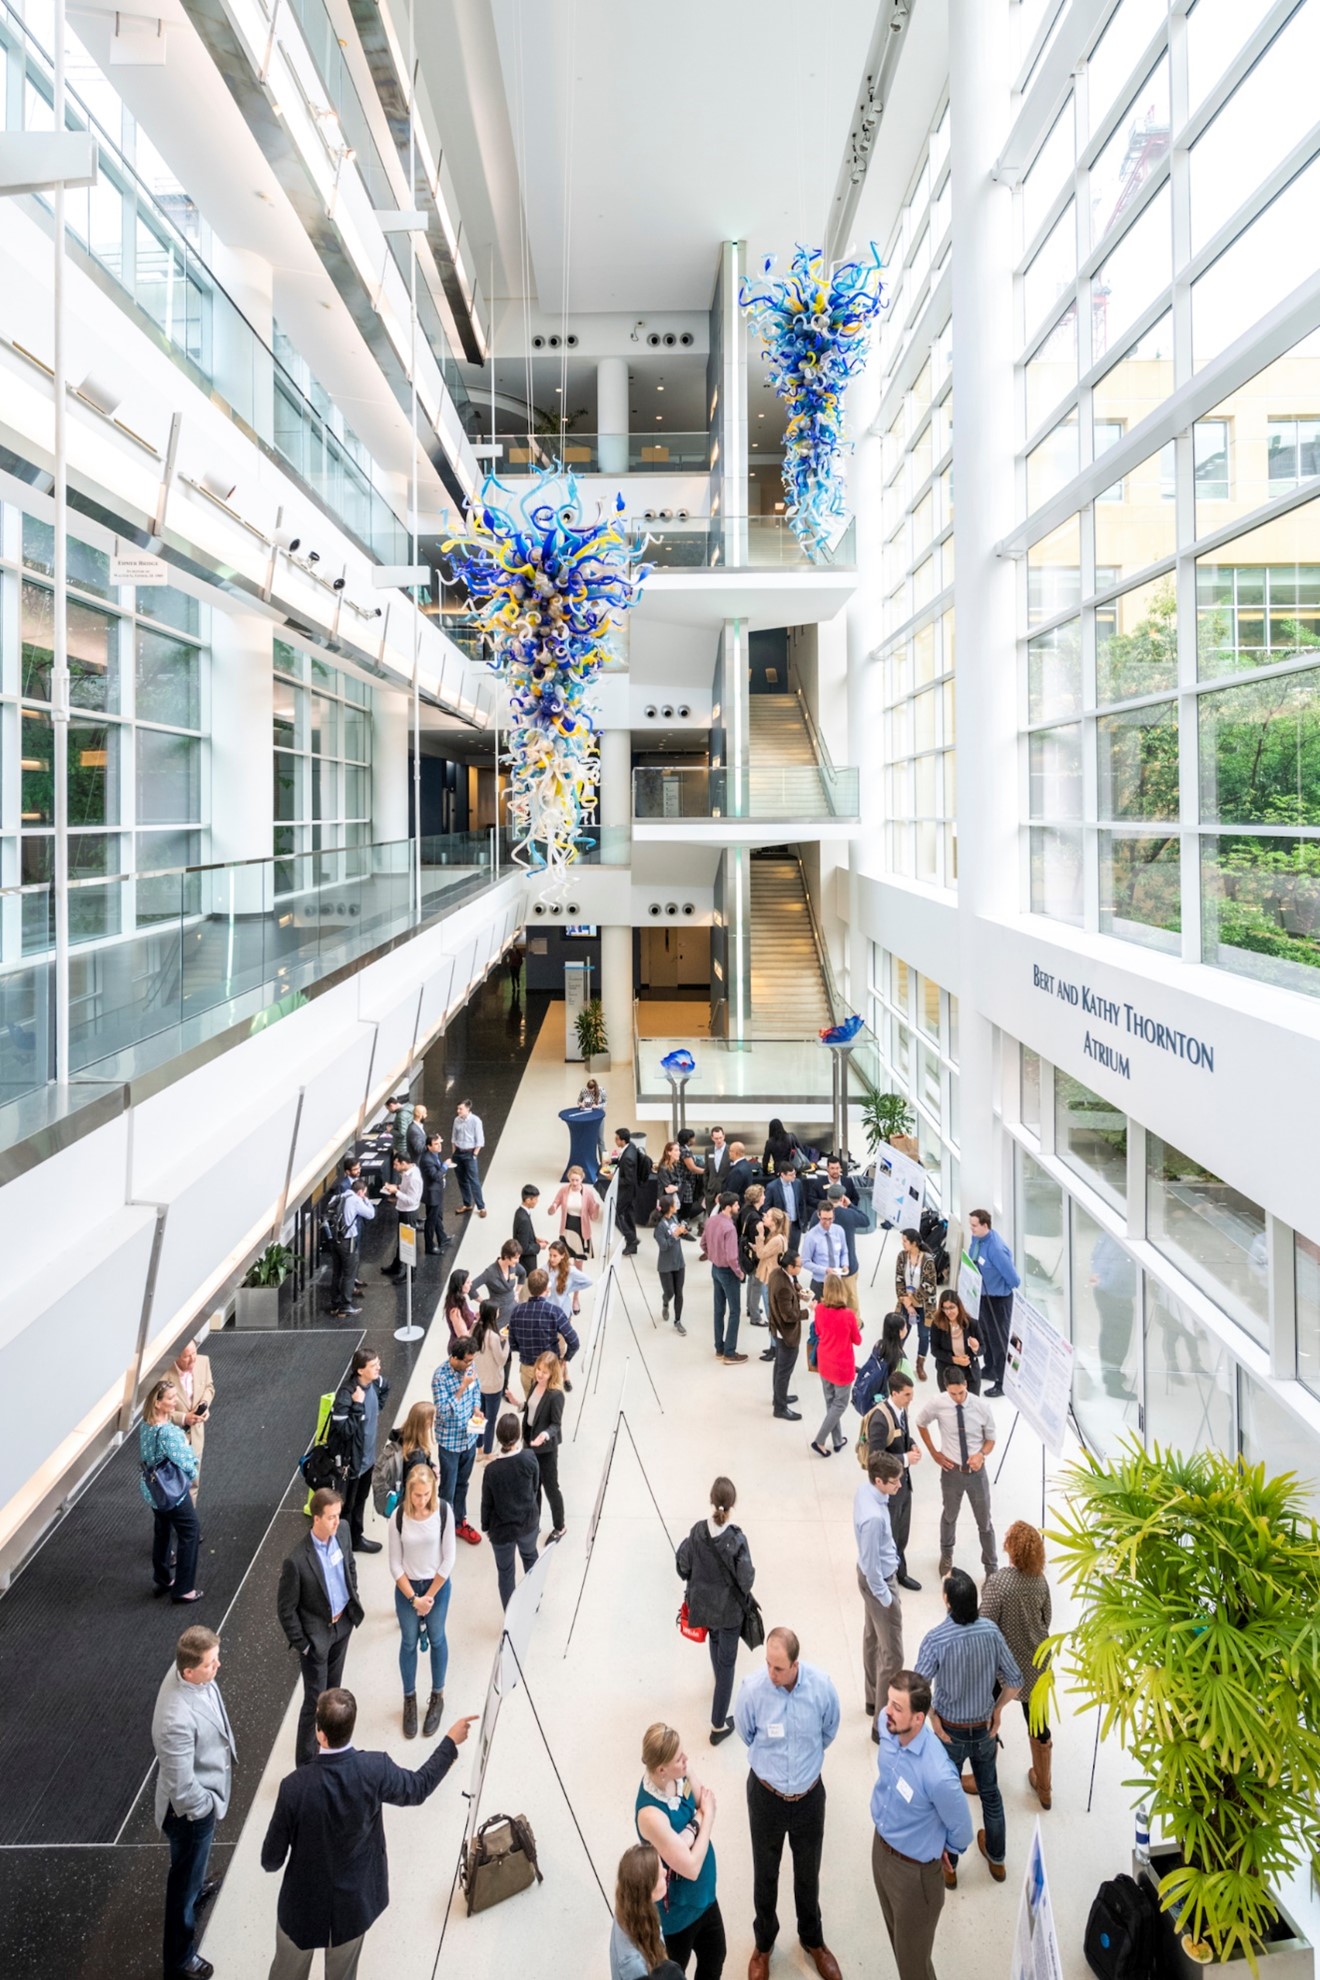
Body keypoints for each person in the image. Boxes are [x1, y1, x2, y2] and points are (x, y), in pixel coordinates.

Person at [261, 1687, 475, 1980]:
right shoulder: (375, 1770)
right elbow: (418, 1788)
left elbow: (270, 1860)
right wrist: (449, 1742)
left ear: (319, 1733)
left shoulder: (294, 1787)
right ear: (351, 1727)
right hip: (352, 1907)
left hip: (301, 1909)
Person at [734, 1628, 842, 1980]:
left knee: (808, 1873)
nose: (771, 1674)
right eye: (768, 1664)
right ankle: (763, 1944)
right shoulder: (753, 1691)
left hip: (809, 1798)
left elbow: (829, 1731)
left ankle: (813, 1939)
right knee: (765, 1874)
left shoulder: (822, 1688)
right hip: (766, 1797)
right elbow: (746, 1732)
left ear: (796, 1664)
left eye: (778, 1668)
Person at [915, 1569, 1022, 1885]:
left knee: (945, 1798)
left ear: (947, 1601)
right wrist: (998, 1710)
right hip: (985, 1730)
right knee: (990, 1793)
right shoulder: (990, 1631)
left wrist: (933, 1717)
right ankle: (998, 1861)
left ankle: (949, 1866)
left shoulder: (936, 1639)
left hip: (949, 1732)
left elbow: (918, 1689)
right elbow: (1015, 1680)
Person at [870, 1670, 972, 1980]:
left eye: (897, 1707)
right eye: (888, 1702)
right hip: (881, 1850)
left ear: (918, 1719)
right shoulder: (887, 1727)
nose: (887, 1711)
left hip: (915, 1877)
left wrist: (940, 1845)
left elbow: (963, 1832)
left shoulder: (938, 1774)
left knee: (914, 1967)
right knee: (900, 1947)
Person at [152, 1626, 234, 1980]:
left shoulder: (186, 1672)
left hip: (198, 1798)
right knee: (181, 1884)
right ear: (188, 1671)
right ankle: (180, 1960)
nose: (218, 1666)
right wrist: (209, 1807)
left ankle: (196, 1886)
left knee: (188, 1866)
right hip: (189, 1813)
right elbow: (184, 1790)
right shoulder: (176, 1720)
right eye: (211, 1664)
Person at [277, 1488, 363, 1768]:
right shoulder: (297, 1561)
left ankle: (329, 1749)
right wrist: (303, 1644)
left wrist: (353, 1598)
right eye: (331, 1517)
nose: (337, 1522)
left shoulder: (344, 1532)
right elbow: (286, 1609)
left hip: (342, 1628)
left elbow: (350, 1565)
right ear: (316, 1518)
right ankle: (305, 1764)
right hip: (316, 1639)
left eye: (338, 1515)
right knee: (315, 1701)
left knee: (333, 1693)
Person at [635, 1723, 725, 1978]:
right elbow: (692, 1867)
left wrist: (689, 1833)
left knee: (715, 1957)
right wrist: (703, 1820)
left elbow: (702, 1799)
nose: (686, 1760)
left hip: (706, 1895)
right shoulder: (650, 1815)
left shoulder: (680, 1772)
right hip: (678, 1912)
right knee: (676, 1970)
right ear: (661, 1769)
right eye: (679, 1758)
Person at [675, 1477, 755, 1746]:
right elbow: (746, 1580)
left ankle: (718, 1680)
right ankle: (718, 1725)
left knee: (715, 1639)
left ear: (711, 1501)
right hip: (730, 1611)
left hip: (704, 1607)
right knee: (728, 1663)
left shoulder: (697, 1531)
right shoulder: (736, 1538)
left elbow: (682, 1563)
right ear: (733, 1505)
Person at [980, 1521, 1054, 1809]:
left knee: (987, 1714)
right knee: (1038, 1725)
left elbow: (986, 1625)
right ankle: (1044, 1787)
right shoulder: (1041, 1582)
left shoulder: (998, 1583)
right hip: (1038, 1666)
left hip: (1004, 1667)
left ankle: (984, 1777)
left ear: (1010, 1551)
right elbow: (1046, 1619)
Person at [388, 1461, 454, 1741]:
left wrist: (429, 1596)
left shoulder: (443, 1511)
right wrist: (414, 1598)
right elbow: (394, 1564)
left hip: (436, 1588)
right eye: (417, 1495)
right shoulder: (399, 1517)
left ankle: (437, 1695)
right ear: (409, 1493)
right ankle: (409, 1698)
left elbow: (448, 1558)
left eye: (427, 1494)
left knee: (437, 1638)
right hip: (408, 1590)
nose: (422, 1499)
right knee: (408, 1642)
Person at [916, 1376, 1000, 1576]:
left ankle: (991, 1566)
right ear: (946, 1390)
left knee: (984, 1521)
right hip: (951, 1471)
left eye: (961, 1393)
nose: (957, 1398)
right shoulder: (939, 1403)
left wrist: (981, 1454)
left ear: (966, 1385)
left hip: (976, 1474)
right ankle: (946, 1555)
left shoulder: (981, 1407)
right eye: (953, 1394)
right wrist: (934, 1453)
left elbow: (991, 1439)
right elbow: (921, 1422)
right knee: (949, 1515)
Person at [854, 1453, 906, 1741]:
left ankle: (872, 1699)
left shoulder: (865, 1492)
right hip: (879, 1583)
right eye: (894, 1481)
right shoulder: (873, 1519)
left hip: (869, 1577)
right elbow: (873, 1568)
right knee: (893, 1655)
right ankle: (881, 1724)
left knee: (872, 1638)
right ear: (879, 1481)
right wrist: (887, 1600)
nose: (899, 1485)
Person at [139, 1380, 202, 1603]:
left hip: (153, 1490)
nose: (176, 1401)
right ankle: (184, 1588)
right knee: (190, 1531)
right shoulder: (168, 1433)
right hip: (172, 1491)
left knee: (162, 1531)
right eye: (171, 1398)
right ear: (158, 1403)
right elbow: (187, 1461)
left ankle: (163, 1578)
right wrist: (192, 1464)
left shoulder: (145, 1425)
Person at [864, 1372, 922, 1590]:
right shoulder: (880, 1419)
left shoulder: (901, 1410)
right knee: (889, 1534)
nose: (911, 1398)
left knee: (901, 1532)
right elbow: (875, 1457)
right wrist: (905, 1459)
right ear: (894, 1393)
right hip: (890, 1489)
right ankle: (887, 1576)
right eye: (907, 1394)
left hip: (903, 1485)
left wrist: (912, 1443)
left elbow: (903, 1435)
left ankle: (899, 1570)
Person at [328, 1347, 388, 1554]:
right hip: (351, 1463)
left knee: (361, 1500)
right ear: (360, 1370)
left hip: (367, 1459)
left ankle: (356, 1537)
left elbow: (385, 1388)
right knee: (347, 1505)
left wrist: (375, 1407)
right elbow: (343, 1431)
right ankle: (344, 1544)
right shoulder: (347, 1395)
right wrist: (358, 1406)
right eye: (373, 1366)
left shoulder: (376, 1383)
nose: (379, 1367)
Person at [479, 1410, 542, 1606]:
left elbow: (486, 1503)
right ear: (519, 1436)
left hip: (502, 1531)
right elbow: (535, 1487)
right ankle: (534, 1601)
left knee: (505, 1572)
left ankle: (511, 1614)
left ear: (498, 1437)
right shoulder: (529, 1458)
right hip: (528, 1525)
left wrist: (486, 1527)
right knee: (531, 1558)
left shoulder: (492, 1470)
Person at [431, 1338, 484, 1546]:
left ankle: (459, 1521)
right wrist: (462, 1388)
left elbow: (477, 1391)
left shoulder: (471, 1369)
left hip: (469, 1438)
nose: (470, 1365)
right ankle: (444, 1528)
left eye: (472, 1361)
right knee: (448, 1488)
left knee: (463, 1483)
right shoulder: (440, 1377)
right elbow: (443, 1412)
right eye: (467, 1361)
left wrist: (477, 1408)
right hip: (450, 1443)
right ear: (455, 1358)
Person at [967, 1208, 1021, 1398]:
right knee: (986, 1333)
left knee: (999, 1339)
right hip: (982, 1296)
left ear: (985, 1225)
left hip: (998, 1300)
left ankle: (1001, 1380)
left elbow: (1014, 1279)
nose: (971, 1228)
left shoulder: (996, 1248)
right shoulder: (977, 1239)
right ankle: (989, 1367)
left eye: (974, 1225)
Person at [811, 1271, 862, 1458]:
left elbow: (817, 1331)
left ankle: (838, 1440)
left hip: (825, 1362)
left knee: (831, 1402)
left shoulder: (820, 1310)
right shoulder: (848, 1315)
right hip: (842, 1366)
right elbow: (857, 1340)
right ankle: (820, 1440)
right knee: (840, 1404)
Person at [509, 1268, 581, 1398]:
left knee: (531, 1410)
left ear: (529, 1288)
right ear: (546, 1289)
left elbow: (512, 1344)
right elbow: (574, 1341)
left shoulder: (517, 1312)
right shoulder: (555, 1312)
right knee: (552, 1409)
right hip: (550, 1369)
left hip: (528, 1369)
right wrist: (565, 1359)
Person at [522, 1349, 566, 1539]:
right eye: (538, 1369)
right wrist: (518, 1403)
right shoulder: (535, 1383)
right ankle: (534, 1522)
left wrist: (544, 1436)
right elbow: (531, 1408)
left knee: (550, 1488)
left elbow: (556, 1424)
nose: (539, 1374)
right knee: (533, 1486)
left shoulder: (556, 1395)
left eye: (544, 1372)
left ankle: (560, 1526)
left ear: (552, 1374)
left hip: (546, 1449)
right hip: (530, 1444)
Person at [611, 1843, 671, 1980]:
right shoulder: (634, 1965)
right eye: (660, 1874)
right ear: (649, 1890)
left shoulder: (627, 1903)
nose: (665, 1872)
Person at [699, 1192, 746, 1365]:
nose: (738, 1207)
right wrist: (739, 1273)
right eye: (736, 1205)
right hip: (728, 1272)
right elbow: (732, 1257)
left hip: (715, 1269)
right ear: (728, 1207)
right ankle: (730, 1352)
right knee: (734, 1311)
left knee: (719, 1310)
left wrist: (712, 1255)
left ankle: (719, 1348)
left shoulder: (711, 1221)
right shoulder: (730, 1228)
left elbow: (702, 1243)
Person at [167, 1339, 215, 1501]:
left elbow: (209, 1387)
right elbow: (155, 1410)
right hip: (174, 1440)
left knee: (193, 1483)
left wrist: (205, 1404)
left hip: (196, 1437)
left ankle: (187, 1523)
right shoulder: (163, 1375)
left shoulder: (203, 1362)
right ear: (176, 1357)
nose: (193, 1359)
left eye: (194, 1353)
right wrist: (183, 1418)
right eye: (187, 1356)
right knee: (172, 1485)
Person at [766, 1249, 807, 1421]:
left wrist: (797, 1293)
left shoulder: (777, 1274)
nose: (801, 1267)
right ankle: (780, 1407)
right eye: (799, 1265)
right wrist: (807, 1312)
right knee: (784, 1370)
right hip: (786, 1333)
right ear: (790, 1267)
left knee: (780, 1366)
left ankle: (779, 1397)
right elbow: (788, 1315)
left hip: (776, 1329)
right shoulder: (783, 1286)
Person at [472, 1300, 516, 1456]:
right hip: (493, 1384)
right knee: (490, 1420)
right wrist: (508, 1341)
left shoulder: (475, 1329)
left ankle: (478, 1449)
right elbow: (502, 1360)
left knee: (480, 1415)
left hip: (479, 1381)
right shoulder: (493, 1336)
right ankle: (488, 1452)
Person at [895, 1228, 938, 1382]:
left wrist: (913, 1301)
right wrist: (906, 1302)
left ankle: (920, 1364)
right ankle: (896, 1362)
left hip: (924, 1305)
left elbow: (930, 1285)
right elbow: (899, 1280)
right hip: (905, 1302)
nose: (902, 1243)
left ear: (914, 1243)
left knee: (924, 1335)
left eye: (905, 1241)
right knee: (900, 1332)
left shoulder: (927, 1259)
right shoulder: (902, 1256)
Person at [326, 1179, 373, 1317]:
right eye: (364, 1193)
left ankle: (335, 1303)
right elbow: (370, 1214)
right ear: (360, 1192)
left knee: (337, 1272)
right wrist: (366, 1200)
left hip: (334, 1239)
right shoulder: (356, 1200)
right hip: (348, 1240)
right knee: (349, 1273)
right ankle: (346, 1306)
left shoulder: (337, 1197)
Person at [821, 1184, 866, 1311]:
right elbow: (866, 1220)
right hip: (848, 1267)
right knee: (851, 1299)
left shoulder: (818, 1216)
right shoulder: (849, 1214)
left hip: (827, 1267)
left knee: (830, 1300)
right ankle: (855, 1324)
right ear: (842, 1198)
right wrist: (850, 1205)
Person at [930, 1288, 982, 1394]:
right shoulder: (937, 1325)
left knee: (972, 1404)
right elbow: (935, 1350)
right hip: (948, 1371)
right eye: (945, 1308)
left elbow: (983, 1348)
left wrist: (976, 1348)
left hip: (970, 1371)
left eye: (951, 1307)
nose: (948, 1312)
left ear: (959, 1306)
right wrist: (954, 1360)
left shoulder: (972, 1324)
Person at [379, 1155, 422, 1279]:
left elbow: (412, 1200)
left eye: (396, 1164)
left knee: (409, 1244)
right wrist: (396, 1187)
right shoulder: (408, 1172)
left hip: (409, 1213)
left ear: (403, 1163)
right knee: (401, 1241)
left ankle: (411, 1274)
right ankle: (397, 1266)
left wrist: (396, 1192)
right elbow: (406, 1189)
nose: (394, 1167)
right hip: (404, 1211)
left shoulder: (413, 1178)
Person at [549, 1164, 604, 1259]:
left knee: (579, 1259)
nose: (574, 1183)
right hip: (567, 1227)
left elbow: (593, 1217)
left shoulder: (587, 1193)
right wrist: (553, 1207)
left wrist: (596, 1209)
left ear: (582, 1179)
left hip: (581, 1228)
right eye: (572, 1180)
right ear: (568, 1179)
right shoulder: (563, 1190)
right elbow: (552, 1208)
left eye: (577, 1180)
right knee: (564, 1258)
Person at [655, 1188, 689, 1335]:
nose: (677, 1205)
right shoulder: (660, 1226)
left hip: (679, 1262)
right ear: (669, 1208)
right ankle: (665, 1301)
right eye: (674, 1204)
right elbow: (663, 1246)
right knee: (670, 1292)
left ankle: (678, 1320)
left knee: (679, 1292)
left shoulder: (674, 1218)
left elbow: (678, 1235)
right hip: (666, 1265)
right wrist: (675, 1235)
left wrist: (683, 1231)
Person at [800, 1201, 848, 1301]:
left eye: (830, 1219)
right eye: (824, 1219)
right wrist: (825, 1270)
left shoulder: (839, 1231)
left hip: (837, 1282)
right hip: (820, 1283)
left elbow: (844, 1252)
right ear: (818, 1215)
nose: (827, 1222)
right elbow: (805, 1262)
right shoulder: (811, 1236)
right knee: (819, 1314)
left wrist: (845, 1265)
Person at [470, 1240, 527, 1324]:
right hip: (498, 1314)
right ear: (506, 1256)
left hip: (513, 1307)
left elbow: (523, 1273)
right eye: (515, 1258)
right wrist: (484, 1303)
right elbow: (471, 1288)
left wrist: (517, 1292)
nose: (518, 1261)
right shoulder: (490, 1272)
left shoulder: (513, 1266)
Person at [451, 1098, 487, 1217]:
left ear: (468, 1108)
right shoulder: (457, 1120)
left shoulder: (476, 1121)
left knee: (474, 1181)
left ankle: (481, 1207)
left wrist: (475, 1154)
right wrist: (453, 1153)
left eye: (460, 1109)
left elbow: (480, 1140)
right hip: (458, 1153)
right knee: (462, 1180)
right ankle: (467, 1204)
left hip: (470, 1154)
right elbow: (453, 1137)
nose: (458, 1111)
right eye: (458, 1108)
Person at [544, 1237, 592, 1326]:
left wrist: (570, 1288)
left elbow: (588, 1281)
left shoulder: (570, 1270)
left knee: (562, 1338)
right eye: (550, 1255)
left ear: (562, 1256)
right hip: (548, 1312)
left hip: (563, 1312)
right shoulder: (546, 1267)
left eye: (555, 1256)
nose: (551, 1259)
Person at [739, 1186, 769, 1327]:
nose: (764, 1197)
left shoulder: (746, 1210)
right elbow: (756, 1239)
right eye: (763, 1194)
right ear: (757, 1198)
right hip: (755, 1255)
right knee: (757, 1283)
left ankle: (751, 1308)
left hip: (745, 1253)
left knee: (751, 1281)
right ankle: (755, 1316)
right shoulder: (756, 1219)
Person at [418, 1132, 451, 1255]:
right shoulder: (427, 1160)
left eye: (439, 1143)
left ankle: (442, 1238)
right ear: (428, 1146)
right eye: (435, 1144)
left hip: (436, 1192)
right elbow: (435, 1176)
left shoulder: (434, 1155)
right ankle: (429, 1246)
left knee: (437, 1217)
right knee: (431, 1221)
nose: (439, 1146)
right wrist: (445, 1167)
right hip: (432, 1194)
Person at [613, 1128, 645, 1253]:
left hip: (627, 1192)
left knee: (616, 1216)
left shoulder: (628, 1158)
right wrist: (613, 1161)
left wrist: (613, 1179)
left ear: (622, 1140)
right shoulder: (631, 1147)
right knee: (628, 1216)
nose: (615, 1141)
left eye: (617, 1139)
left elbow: (628, 1180)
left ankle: (631, 1239)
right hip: (631, 1191)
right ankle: (632, 1246)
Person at [764, 1162, 804, 1254]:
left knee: (793, 1252)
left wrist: (802, 1221)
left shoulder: (797, 1183)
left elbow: (801, 1203)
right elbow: (767, 1207)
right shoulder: (772, 1187)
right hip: (780, 1226)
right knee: (781, 1252)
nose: (794, 1176)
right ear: (782, 1174)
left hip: (795, 1224)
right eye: (791, 1175)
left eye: (795, 1173)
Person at [513, 1183, 548, 1276]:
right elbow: (524, 1248)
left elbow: (521, 1234)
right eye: (535, 1199)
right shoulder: (523, 1219)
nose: (537, 1201)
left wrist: (534, 1238)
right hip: (527, 1264)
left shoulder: (520, 1212)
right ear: (528, 1200)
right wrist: (539, 1246)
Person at [398, 1400, 438, 1481]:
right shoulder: (418, 1456)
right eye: (433, 1418)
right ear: (426, 1423)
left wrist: (431, 1466)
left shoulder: (400, 1438)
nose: (435, 1420)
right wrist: (432, 1474)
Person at [700, 1126, 730, 1219]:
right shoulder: (708, 1150)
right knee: (712, 1219)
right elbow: (707, 1171)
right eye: (716, 1138)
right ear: (712, 1138)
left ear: (724, 1136)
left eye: (720, 1137)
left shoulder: (730, 1150)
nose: (719, 1140)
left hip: (725, 1191)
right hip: (711, 1192)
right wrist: (706, 1189)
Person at [443, 1268, 478, 1344]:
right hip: (461, 1349)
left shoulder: (460, 1300)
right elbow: (463, 1337)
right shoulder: (455, 1310)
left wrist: (476, 1314)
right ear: (460, 1286)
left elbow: (468, 1315)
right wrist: (479, 1324)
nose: (471, 1284)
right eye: (468, 1282)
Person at [404, 1100, 429, 1165]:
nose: (426, 1115)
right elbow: (419, 1149)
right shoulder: (414, 1130)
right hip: (418, 1163)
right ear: (420, 1115)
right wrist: (431, 1143)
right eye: (425, 1113)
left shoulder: (418, 1126)